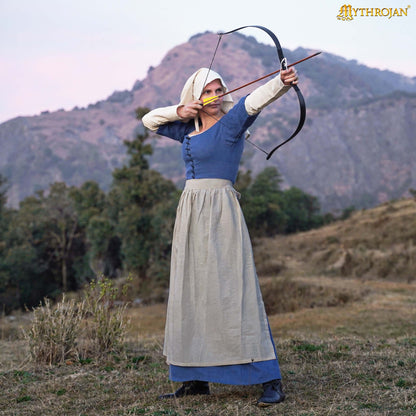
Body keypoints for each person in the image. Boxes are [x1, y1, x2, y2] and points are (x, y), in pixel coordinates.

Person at [142, 65, 298, 407]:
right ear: (196, 96)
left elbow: (254, 101)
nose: (216, 96)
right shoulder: (186, 128)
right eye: (209, 91)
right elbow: (149, 120)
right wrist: (180, 110)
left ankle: (269, 379)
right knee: (191, 290)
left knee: (233, 289)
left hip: (220, 210)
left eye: (220, 90)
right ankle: (193, 378)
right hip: (190, 211)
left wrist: (281, 82)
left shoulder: (231, 124)